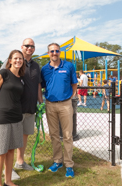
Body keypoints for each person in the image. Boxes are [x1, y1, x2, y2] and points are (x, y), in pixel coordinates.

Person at [0, 38, 43, 180]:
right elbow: (2, 82)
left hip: (30, 108)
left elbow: (37, 85)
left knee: (24, 136)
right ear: (21, 47)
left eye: (32, 46)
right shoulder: (13, 61)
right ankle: (8, 169)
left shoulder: (37, 66)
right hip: (15, 108)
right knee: (10, 140)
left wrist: (40, 103)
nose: (29, 48)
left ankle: (20, 162)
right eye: (27, 46)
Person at [41, 43, 78, 178]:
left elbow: (74, 84)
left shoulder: (68, 66)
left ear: (60, 52)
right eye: (52, 51)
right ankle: (58, 161)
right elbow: (43, 86)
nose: (54, 53)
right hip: (50, 105)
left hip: (65, 105)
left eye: (56, 51)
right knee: (54, 135)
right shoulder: (44, 69)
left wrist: (71, 96)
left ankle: (69, 164)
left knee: (68, 135)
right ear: (48, 53)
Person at [0, 50, 25, 186]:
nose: (18, 61)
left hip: (16, 118)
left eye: (20, 59)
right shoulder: (3, 73)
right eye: (15, 58)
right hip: (2, 118)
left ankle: (8, 181)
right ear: (10, 60)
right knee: (1, 152)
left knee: (10, 151)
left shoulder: (20, 78)